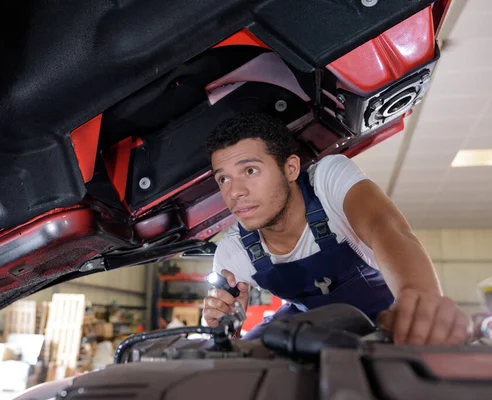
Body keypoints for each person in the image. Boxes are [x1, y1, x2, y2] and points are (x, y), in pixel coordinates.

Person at [202, 112, 471, 345]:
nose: (235, 192)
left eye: (250, 171)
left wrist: (418, 298)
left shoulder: (327, 181)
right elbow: (225, 334)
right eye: (223, 179)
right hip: (306, 328)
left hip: (384, 318)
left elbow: (385, 227)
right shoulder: (231, 253)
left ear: (291, 168)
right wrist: (226, 328)